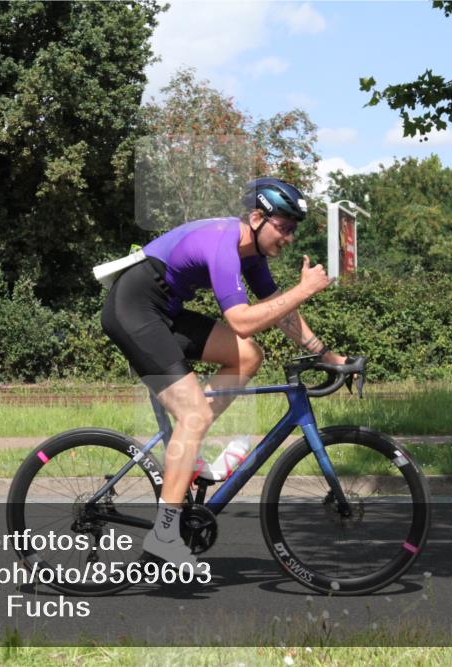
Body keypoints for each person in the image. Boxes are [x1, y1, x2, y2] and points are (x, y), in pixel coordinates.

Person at [100, 177, 349, 566]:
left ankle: (189, 445)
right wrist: (303, 290)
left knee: (248, 357)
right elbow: (242, 321)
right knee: (195, 413)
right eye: (283, 227)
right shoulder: (224, 245)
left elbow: (276, 311)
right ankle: (165, 536)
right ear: (255, 218)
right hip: (133, 309)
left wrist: (326, 355)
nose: (289, 238)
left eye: (293, 230)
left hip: (165, 311)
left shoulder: (252, 255)